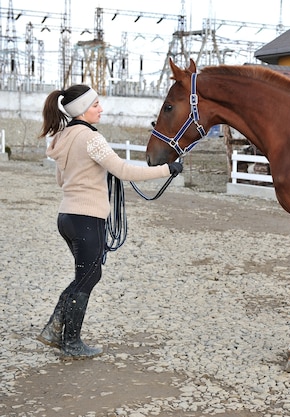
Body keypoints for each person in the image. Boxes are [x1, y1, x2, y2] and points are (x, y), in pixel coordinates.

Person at [37, 84, 183, 359]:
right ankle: (69, 340)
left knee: (87, 275)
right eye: (95, 105)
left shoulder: (64, 137)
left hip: (67, 216)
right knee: (89, 275)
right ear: (81, 110)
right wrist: (167, 169)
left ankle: (56, 331)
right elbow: (123, 170)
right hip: (87, 217)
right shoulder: (91, 139)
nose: (100, 109)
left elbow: (61, 180)